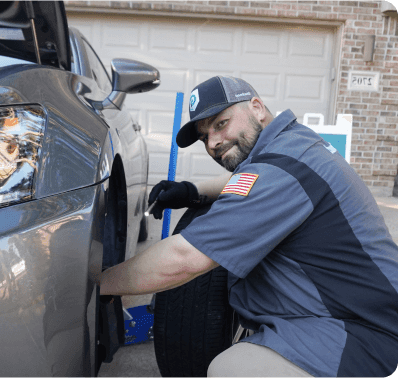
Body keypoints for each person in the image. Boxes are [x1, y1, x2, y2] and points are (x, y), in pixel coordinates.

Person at [100, 76, 398, 377]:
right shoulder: (293, 144)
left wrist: (98, 284)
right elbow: (246, 181)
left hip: (366, 333)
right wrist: (192, 190)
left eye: (220, 123)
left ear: (256, 107)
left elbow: (184, 259)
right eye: (204, 137)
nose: (213, 142)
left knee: (231, 370)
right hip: (357, 308)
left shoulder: (280, 170)